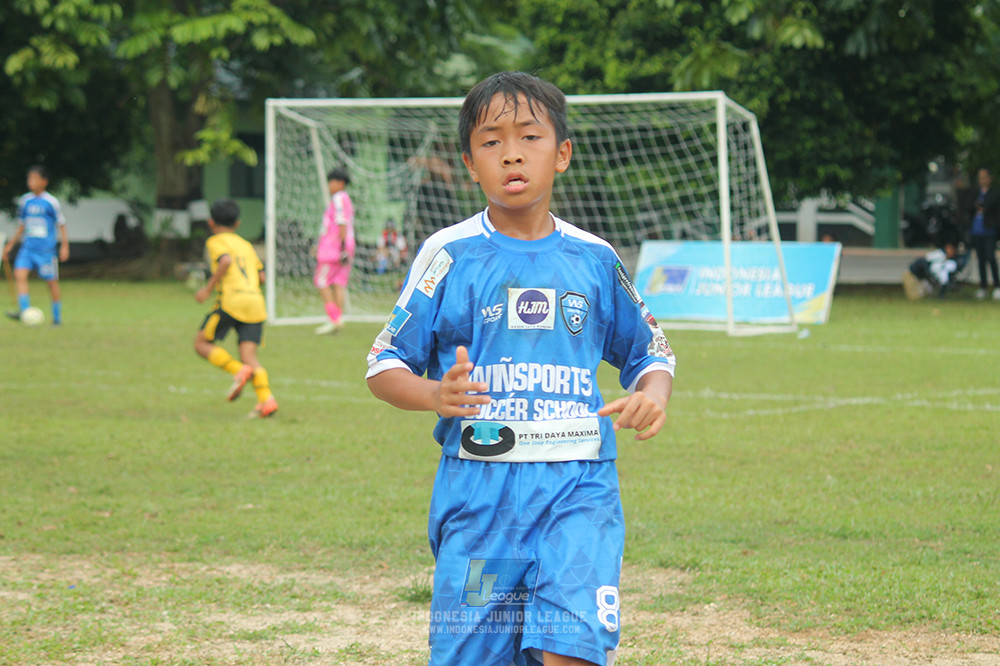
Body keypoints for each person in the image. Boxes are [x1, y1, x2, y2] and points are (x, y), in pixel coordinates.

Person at [366, 71, 676, 666]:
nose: (511, 152)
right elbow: (383, 363)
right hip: (482, 496)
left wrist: (652, 394)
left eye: (529, 136)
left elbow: (650, 352)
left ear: (561, 154)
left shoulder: (594, 258)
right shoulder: (449, 254)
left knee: (572, 649)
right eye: (491, 141)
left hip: (579, 488)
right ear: (468, 163)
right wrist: (434, 394)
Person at [194, 198, 277, 418]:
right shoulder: (246, 245)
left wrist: (207, 289)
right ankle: (266, 400)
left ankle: (237, 370)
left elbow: (225, 261)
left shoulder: (215, 241)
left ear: (211, 223)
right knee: (250, 356)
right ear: (238, 223)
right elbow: (261, 275)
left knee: (201, 343)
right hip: (256, 303)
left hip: (232, 300)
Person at [2, 165, 70, 324]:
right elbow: (21, 225)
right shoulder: (25, 201)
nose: (30, 182)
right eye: (29, 179)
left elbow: (61, 224)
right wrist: (10, 245)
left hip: (46, 250)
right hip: (28, 248)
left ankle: (57, 318)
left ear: (44, 182)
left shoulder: (50, 202)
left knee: (51, 282)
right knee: (19, 274)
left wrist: (65, 246)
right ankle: (25, 312)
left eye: (34, 179)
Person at [313, 167, 355, 334]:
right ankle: (338, 319)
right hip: (346, 246)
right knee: (339, 282)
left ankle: (334, 317)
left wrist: (342, 248)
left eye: (331, 182)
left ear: (340, 183)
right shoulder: (347, 199)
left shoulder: (338, 198)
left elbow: (341, 221)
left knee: (321, 280)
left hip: (334, 247)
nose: (329, 185)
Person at [967, 167, 1000, 300]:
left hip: (989, 230)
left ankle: (997, 286)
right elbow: (969, 206)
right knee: (980, 259)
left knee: (990, 257)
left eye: (984, 177)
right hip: (976, 231)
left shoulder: (995, 192)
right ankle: (983, 287)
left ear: (990, 178)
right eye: (980, 178)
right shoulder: (976, 192)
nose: (982, 180)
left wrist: (981, 205)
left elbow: (989, 205)